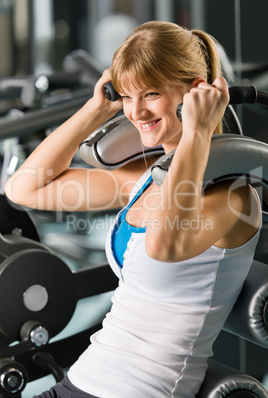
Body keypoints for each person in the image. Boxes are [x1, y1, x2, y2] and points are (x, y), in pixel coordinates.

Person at [4, 21, 261, 398]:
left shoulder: (232, 196)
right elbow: (24, 187)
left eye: (151, 93)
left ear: (195, 93)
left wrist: (198, 132)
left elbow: (163, 245)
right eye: (127, 96)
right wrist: (95, 109)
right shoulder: (144, 176)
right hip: (81, 381)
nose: (136, 112)